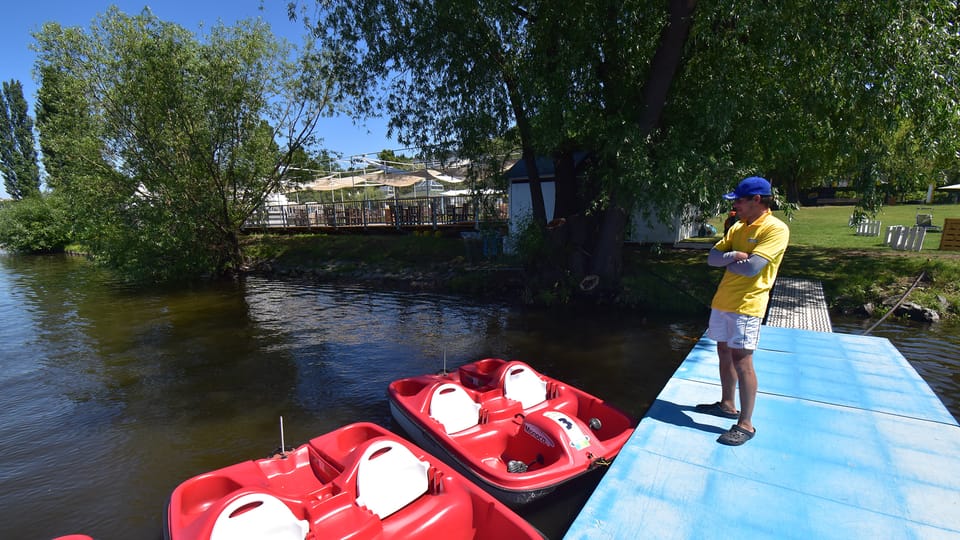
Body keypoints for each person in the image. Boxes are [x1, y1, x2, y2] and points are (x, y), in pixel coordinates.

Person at [697, 176, 789, 446]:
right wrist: (734, 257)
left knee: (742, 360)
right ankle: (727, 404)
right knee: (723, 351)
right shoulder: (738, 227)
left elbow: (752, 268)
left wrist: (735, 260)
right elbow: (712, 259)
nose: (734, 204)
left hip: (748, 304)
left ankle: (746, 424)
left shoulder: (775, 229)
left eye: (738, 199)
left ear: (756, 200)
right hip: (723, 300)